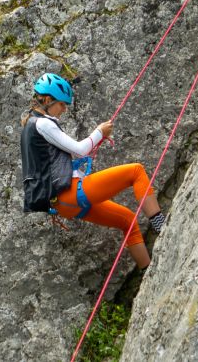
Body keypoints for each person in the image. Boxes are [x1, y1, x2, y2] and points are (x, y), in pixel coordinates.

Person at [20, 73, 167, 269]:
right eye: (62, 104)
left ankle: (149, 274)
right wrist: (100, 132)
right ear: (47, 100)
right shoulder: (43, 123)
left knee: (128, 221)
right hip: (70, 193)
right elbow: (80, 149)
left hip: (63, 204)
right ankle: (162, 227)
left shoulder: (31, 125)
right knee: (136, 172)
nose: (64, 109)